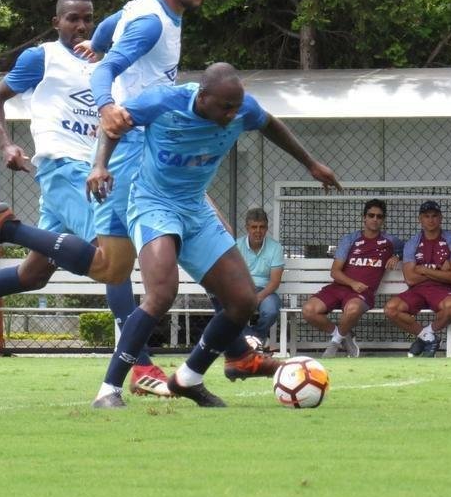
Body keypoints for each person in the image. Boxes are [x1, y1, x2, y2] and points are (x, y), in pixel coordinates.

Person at [0, 0, 169, 389]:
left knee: (33, 275)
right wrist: (6, 144)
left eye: (87, 19)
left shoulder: (103, 64)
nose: (81, 26)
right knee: (112, 258)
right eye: (72, 19)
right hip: (64, 168)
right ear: (56, 22)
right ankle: (141, 366)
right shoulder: (42, 58)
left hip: (87, 172)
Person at [86, 62, 342, 407]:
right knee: (161, 294)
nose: (233, 114)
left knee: (243, 300)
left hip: (196, 209)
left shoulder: (243, 109)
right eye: (226, 107)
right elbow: (112, 124)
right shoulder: (163, 101)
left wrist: (311, 164)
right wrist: (99, 165)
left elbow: (269, 124)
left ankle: (189, 378)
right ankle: (108, 390)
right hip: (153, 204)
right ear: (202, 97)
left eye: (237, 107)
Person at [300, 200, 402, 359]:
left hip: (362, 293)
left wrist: (397, 256)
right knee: (308, 310)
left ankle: (334, 344)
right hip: (339, 287)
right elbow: (335, 272)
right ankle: (344, 335)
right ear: (364, 217)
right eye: (371, 215)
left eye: (379, 216)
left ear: (383, 220)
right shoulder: (350, 239)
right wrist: (352, 283)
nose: (375, 219)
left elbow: (409, 249)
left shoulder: (391, 241)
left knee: (352, 309)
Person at [384, 200, 451, 358]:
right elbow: (410, 279)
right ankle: (429, 337)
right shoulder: (412, 242)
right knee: (391, 309)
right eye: (426, 216)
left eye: (434, 216)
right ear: (420, 219)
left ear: (441, 218)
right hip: (417, 291)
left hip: (442, 290)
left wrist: (423, 269)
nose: (431, 220)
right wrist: (439, 270)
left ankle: (425, 336)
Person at [233, 208, 284, 347]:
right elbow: (232, 277)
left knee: (271, 311)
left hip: (266, 291)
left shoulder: (275, 248)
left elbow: (275, 282)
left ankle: (254, 337)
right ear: (247, 228)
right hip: (242, 290)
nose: (258, 231)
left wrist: (258, 297)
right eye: (254, 227)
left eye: (262, 227)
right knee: (231, 310)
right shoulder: (236, 246)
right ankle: (255, 340)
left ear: (267, 228)